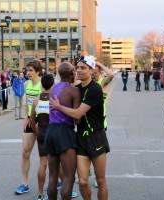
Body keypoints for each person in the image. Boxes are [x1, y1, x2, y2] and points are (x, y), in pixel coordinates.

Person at [50, 55, 110, 200]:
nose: (79, 71)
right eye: (78, 68)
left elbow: (77, 113)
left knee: (100, 180)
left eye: (83, 68)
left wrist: (59, 106)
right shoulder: (76, 89)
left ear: (91, 70)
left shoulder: (95, 89)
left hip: (96, 137)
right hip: (81, 138)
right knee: (82, 181)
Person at [44, 62, 80, 200]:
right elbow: (77, 119)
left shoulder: (52, 89)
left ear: (59, 74)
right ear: (71, 73)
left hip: (50, 130)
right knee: (68, 176)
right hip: (64, 132)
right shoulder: (74, 91)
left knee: (52, 177)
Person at [15, 60, 42, 195]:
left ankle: (59, 181)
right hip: (31, 120)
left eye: (31, 70)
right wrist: (26, 117)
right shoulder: (26, 84)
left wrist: (42, 119)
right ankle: (24, 183)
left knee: (50, 154)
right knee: (25, 152)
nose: (28, 73)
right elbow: (26, 102)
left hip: (43, 121)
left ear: (38, 71)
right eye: (27, 70)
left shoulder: (45, 85)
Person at [30, 74, 54, 200]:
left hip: (42, 133)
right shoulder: (55, 99)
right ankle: (61, 190)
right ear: (53, 84)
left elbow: (32, 120)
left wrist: (36, 131)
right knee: (57, 164)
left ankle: (40, 193)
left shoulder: (37, 99)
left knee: (42, 164)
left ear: (42, 85)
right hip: (54, 134)